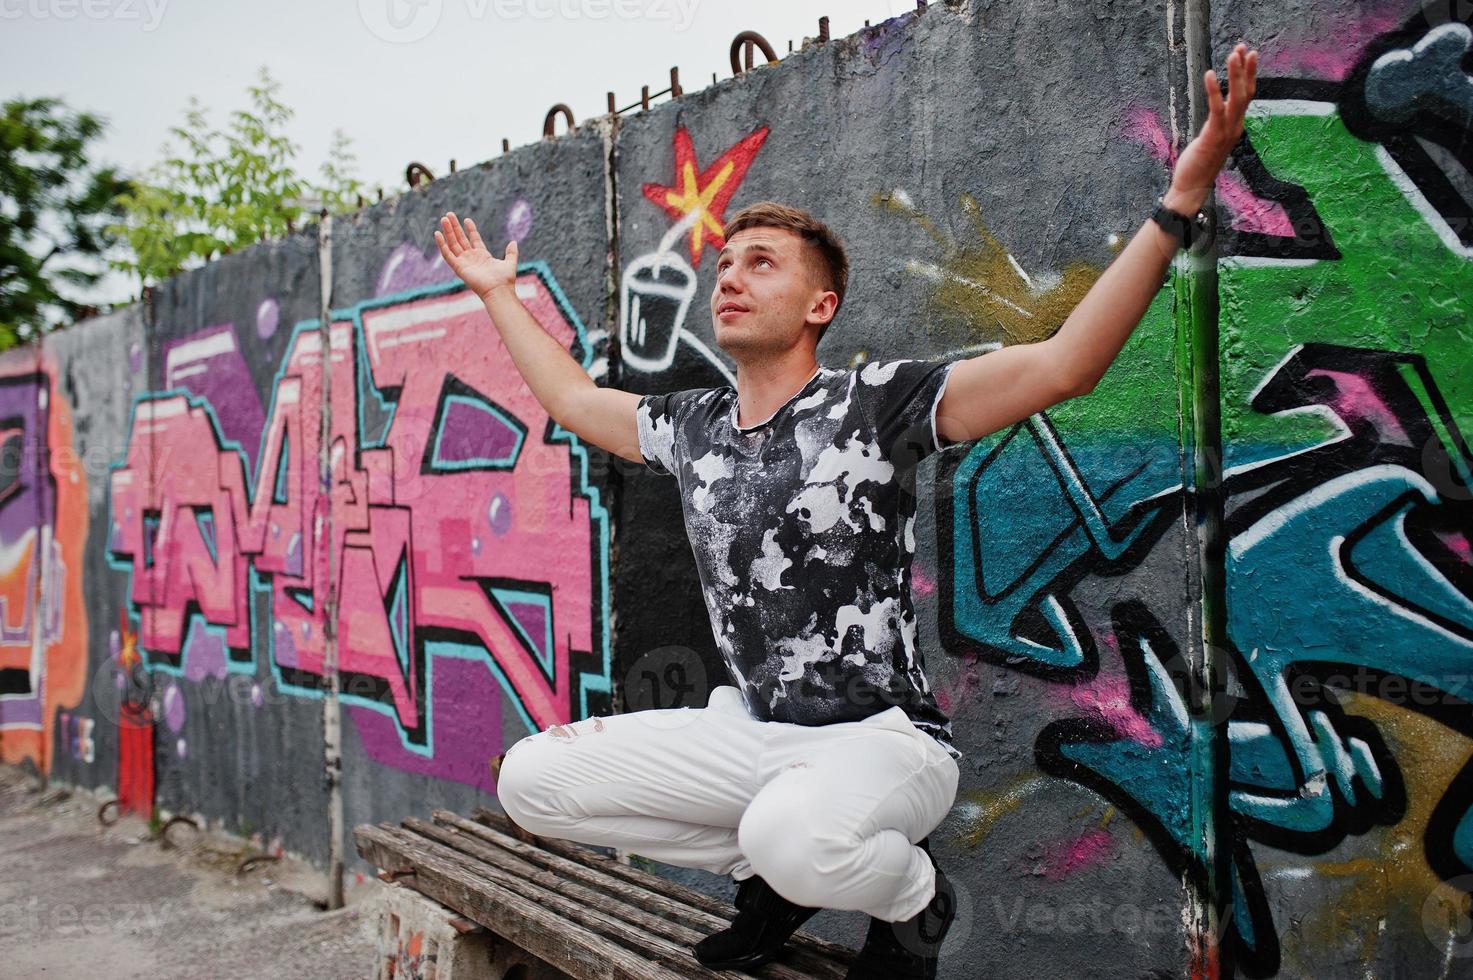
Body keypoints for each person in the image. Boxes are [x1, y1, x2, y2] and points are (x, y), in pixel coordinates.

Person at [434, 43, 1258, 979]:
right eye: (725, 266)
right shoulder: (692, 425)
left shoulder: (875, 405)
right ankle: (771, 871)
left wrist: (1178, 200)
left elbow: (1065, 364)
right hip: (753, 732)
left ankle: (912, 902)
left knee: (797, 833)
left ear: (821, 302)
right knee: (534, 781)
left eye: (761, 264)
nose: (730, 279)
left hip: (884, 744)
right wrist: (501, 296)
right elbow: (580, 405)